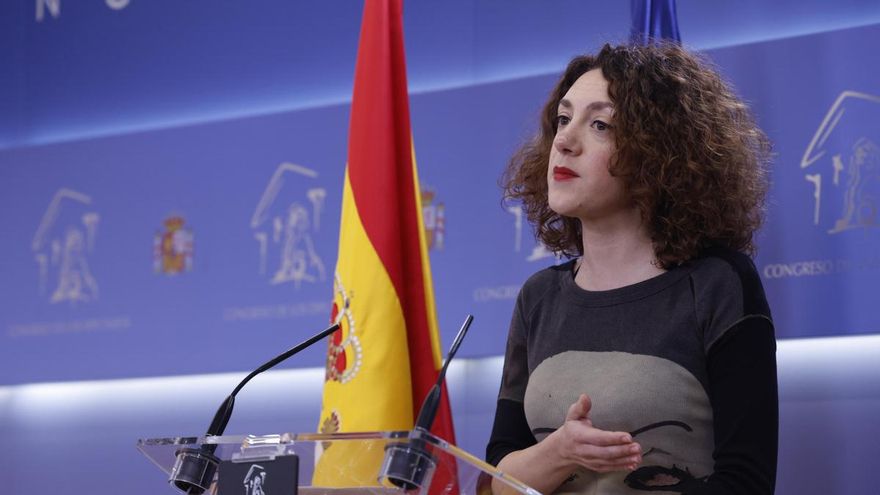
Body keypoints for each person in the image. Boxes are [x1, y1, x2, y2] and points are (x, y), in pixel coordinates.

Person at [486, 42, 777, 495]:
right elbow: (494, 483)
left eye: (600, 125)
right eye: (563, 119)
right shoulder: (538, 297)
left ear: (658, 153)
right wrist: (559, 451)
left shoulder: (717, 283)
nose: (564, 141)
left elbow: (746, 483)